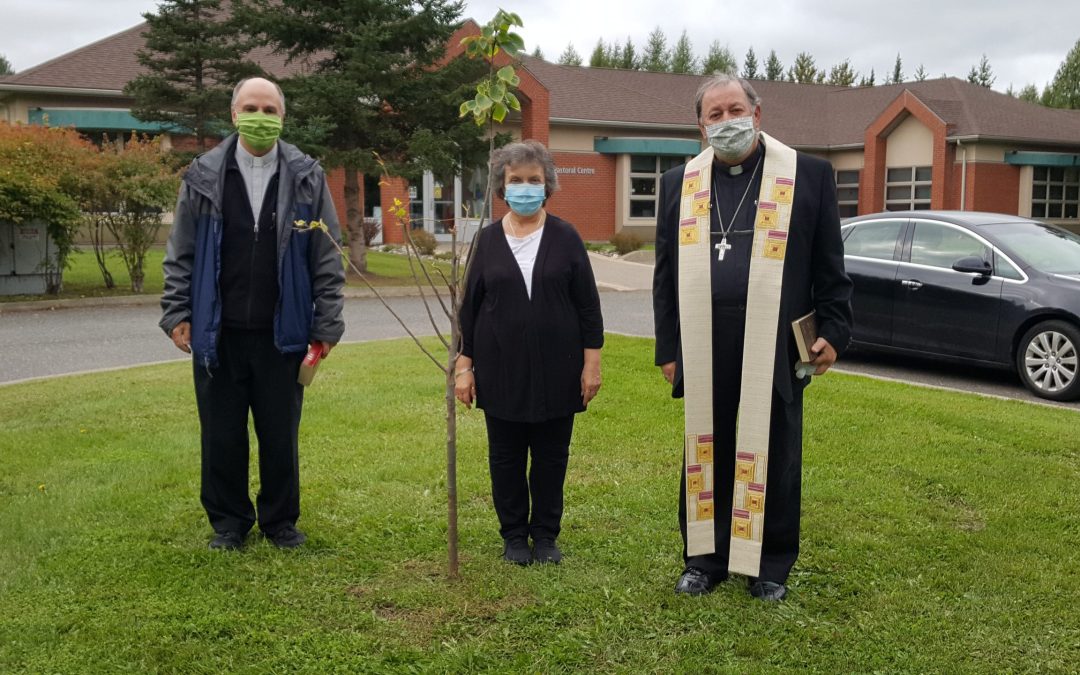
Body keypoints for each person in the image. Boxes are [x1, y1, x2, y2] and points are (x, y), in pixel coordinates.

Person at [652, 75, 853, 600]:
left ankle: (769, 565)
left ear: (757, 114)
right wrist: (669, 348)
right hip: (705, 337)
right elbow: (665, 274)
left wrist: (835, 329)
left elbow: (830, 265)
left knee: (776, 448)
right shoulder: (678, 183)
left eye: (735, 110)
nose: (727, 122)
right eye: (714, 115)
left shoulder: (808, 175)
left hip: (776, 339)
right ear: (701, 126)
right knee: (706, 444)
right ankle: (704, 559)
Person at [160, 77, 346, 551]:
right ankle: (229, 523)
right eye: (250, 108)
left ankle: (280, 522)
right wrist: (177, 312)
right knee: (221, 435)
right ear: (233, 114)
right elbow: (180, 252)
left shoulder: (307, 176)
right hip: (217, 332)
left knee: (280, 435)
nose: (259, 117)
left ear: (282, 117)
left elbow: (327, 255)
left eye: (269, 109)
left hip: (283, 333)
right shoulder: (203, 175)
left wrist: (326, 323)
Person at [455, 140, 604, 566]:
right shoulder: (486, 241)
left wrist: (591, 366)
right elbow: (469, 310)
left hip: (560, 370)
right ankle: (515, 535)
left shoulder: (566, 237)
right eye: (516, 180)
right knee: (505, 458)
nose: (525, 187)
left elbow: (588, 307)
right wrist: (463, 368)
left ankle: (546, 535)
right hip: (500, 370)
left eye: (533, 180)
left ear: (547, 185)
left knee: (551, 458)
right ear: (502, 187)